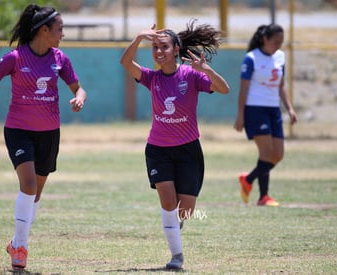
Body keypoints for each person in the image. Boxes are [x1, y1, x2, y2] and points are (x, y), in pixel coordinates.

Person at [0, 4, 87, 270]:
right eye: (59, 29)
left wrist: (79, 97)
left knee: (35, 195)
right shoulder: (15, 58)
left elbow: (79, 88)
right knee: (28, 186)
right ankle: (21, 247)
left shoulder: (60, 59)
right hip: (19, 131)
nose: (62, 34)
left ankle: (16, 242)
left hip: (49, 133)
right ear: (44, 30)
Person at [120, 20, 229, 270]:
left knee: (185, 211)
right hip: (158, 150)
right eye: (155, 47)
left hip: (188, 150)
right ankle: (176, 256)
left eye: (164, 47)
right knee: (168, 202)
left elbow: (224, 89)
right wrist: (138, 38)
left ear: (176, 50)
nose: (158, 52)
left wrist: (206, 70)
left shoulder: (190, 75)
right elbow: (125, 63)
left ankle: (174, 224)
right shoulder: (151, 77)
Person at [234, 24, 297, 207]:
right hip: (255, 109)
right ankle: (264, 196)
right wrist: (240, 115)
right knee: (267, 153)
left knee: (278, 155)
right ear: (265, 39)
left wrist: (290, 108)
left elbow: (281, 85)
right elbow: (244, 88)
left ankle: (248, 179)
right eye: (276, 41)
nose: (279, 45)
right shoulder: (251, 58)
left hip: (273, 109)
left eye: (281, 42)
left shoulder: (280, 57)